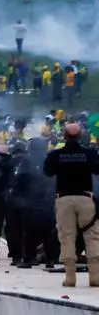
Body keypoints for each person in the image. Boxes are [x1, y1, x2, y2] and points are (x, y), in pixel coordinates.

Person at [42, 122, 99, 287]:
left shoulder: (55, 154)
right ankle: (95, 277)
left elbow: (48, 172)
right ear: (81, 136)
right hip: (86, 199)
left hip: (64, 199)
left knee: (67, 238)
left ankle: (70, 278)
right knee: (93, 237)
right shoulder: (89, 153)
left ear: (64, 137)